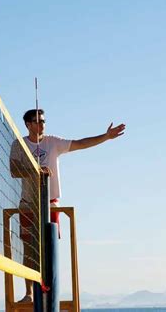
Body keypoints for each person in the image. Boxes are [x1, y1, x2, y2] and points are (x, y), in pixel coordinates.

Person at [9, 109, 125, 303]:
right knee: (29, 249)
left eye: (44, 121)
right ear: (28, 124)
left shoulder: (53, 142)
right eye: (37, 121)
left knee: (49, 246)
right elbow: (14, 170)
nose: (42, 124)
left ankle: (50, 292)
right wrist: (35, 170)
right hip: (28, 204)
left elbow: (80, 143)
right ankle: (29, 293)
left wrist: (105, 137)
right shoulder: (19, 145)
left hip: (51, 203)